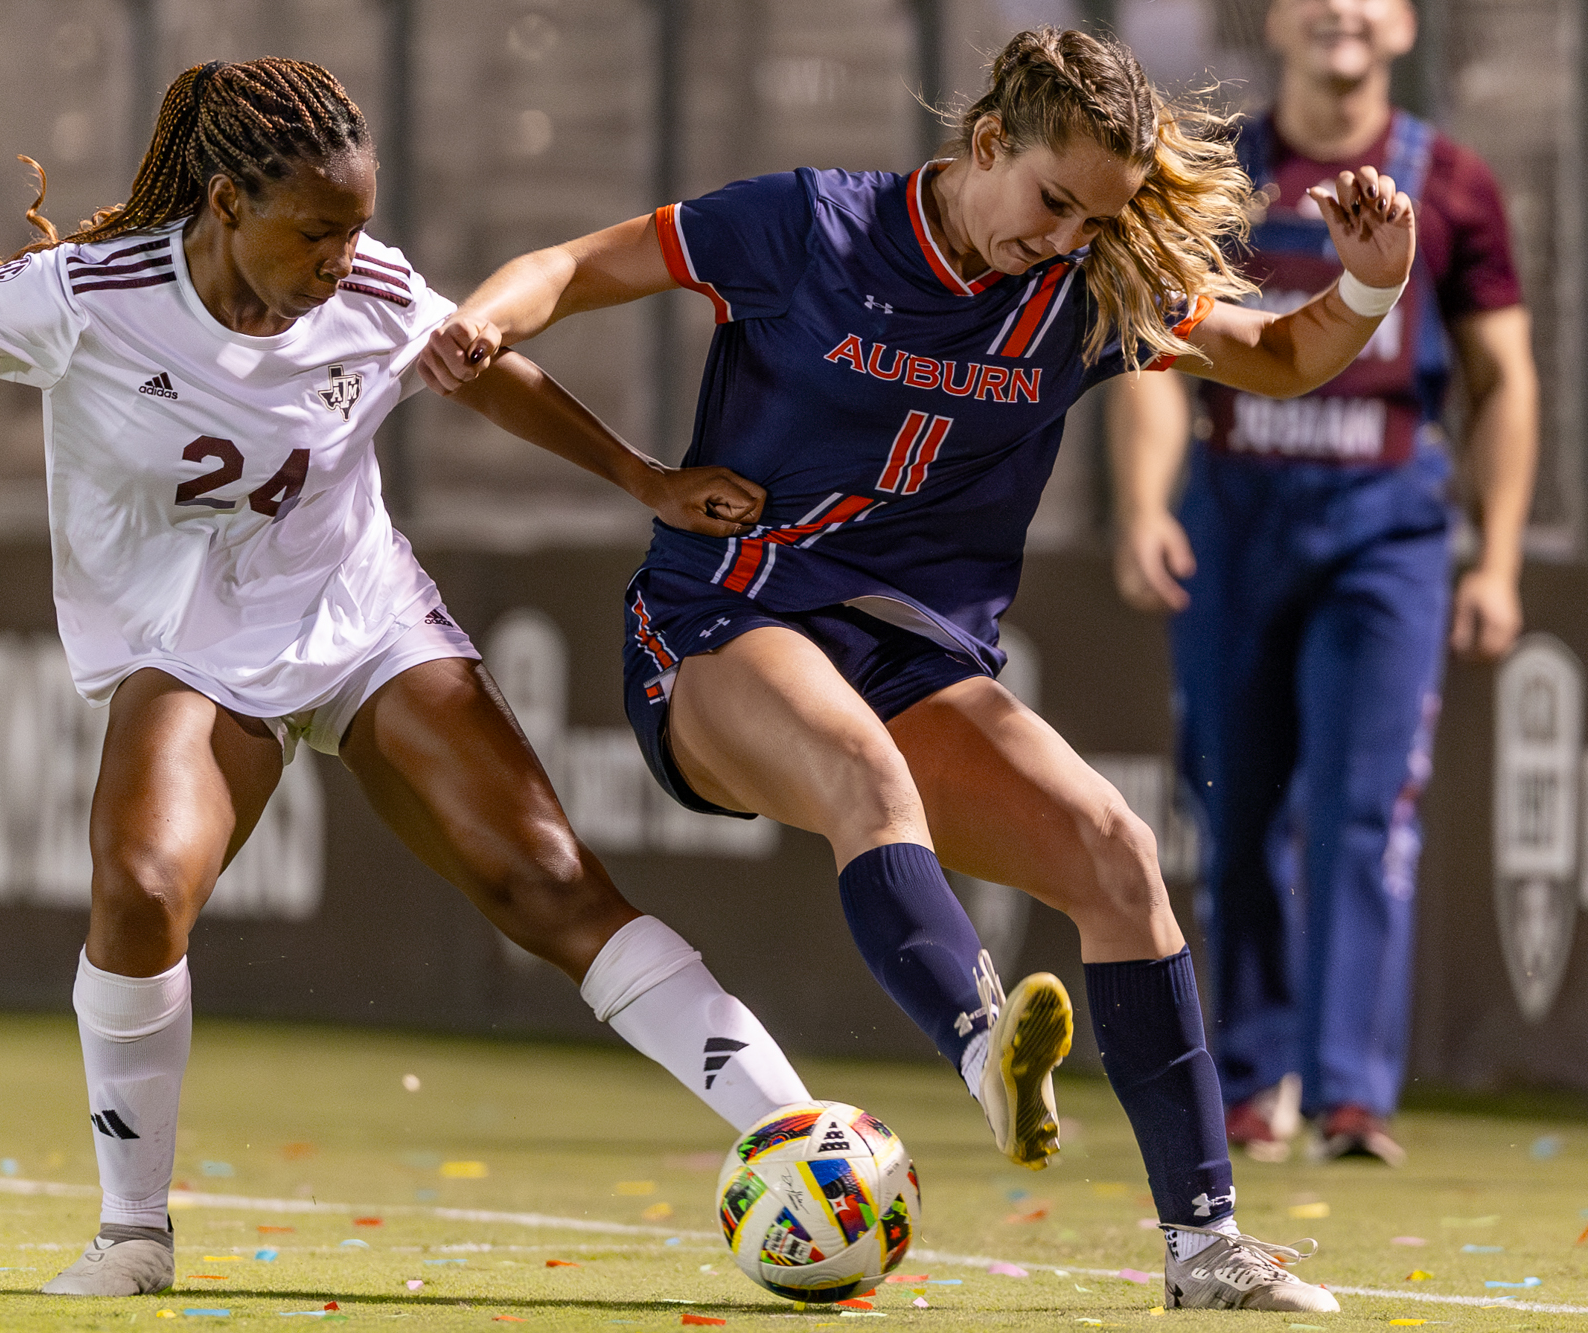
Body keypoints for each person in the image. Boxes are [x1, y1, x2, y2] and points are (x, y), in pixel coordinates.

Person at [0, 58, 817, 1299]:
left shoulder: (370, 284)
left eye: (356, 226)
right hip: (182, 639)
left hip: (357, 617)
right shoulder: (88, 294)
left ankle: (800, 1137)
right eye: (316, 230)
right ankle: (133, 1234)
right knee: (139, 889)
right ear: (228, 201)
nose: (343, 257)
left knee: (546, 879)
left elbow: (484, 367)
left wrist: (646, 481)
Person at [419, 25, 1422, 1314]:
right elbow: (567, 264)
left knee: (1117, 857)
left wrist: (1368, 291)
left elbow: (1279, 358)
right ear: (986, 142)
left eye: (1094, 216)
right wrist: (481, 326)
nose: (1063, 237)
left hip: (911, 651)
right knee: (862, 776)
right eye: (1053, 200)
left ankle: (1204, 1247)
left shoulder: (1087, 285)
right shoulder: (803, 227)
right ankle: (976, 1043)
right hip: (723, 620)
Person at [1104, 0, 1535, 1166]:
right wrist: (1144, 506)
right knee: (1236, 812)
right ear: (1278, 22)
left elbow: (1502, 379)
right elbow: (1154, 354)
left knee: (1361, 811)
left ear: (1400, 26)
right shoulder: (1210, 181)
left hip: (1384, 536)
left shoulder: (1450, 183)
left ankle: (1351, 1096)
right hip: (1233, 525)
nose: (1341, 11)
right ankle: (1250, 1085)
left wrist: (1491, 558)